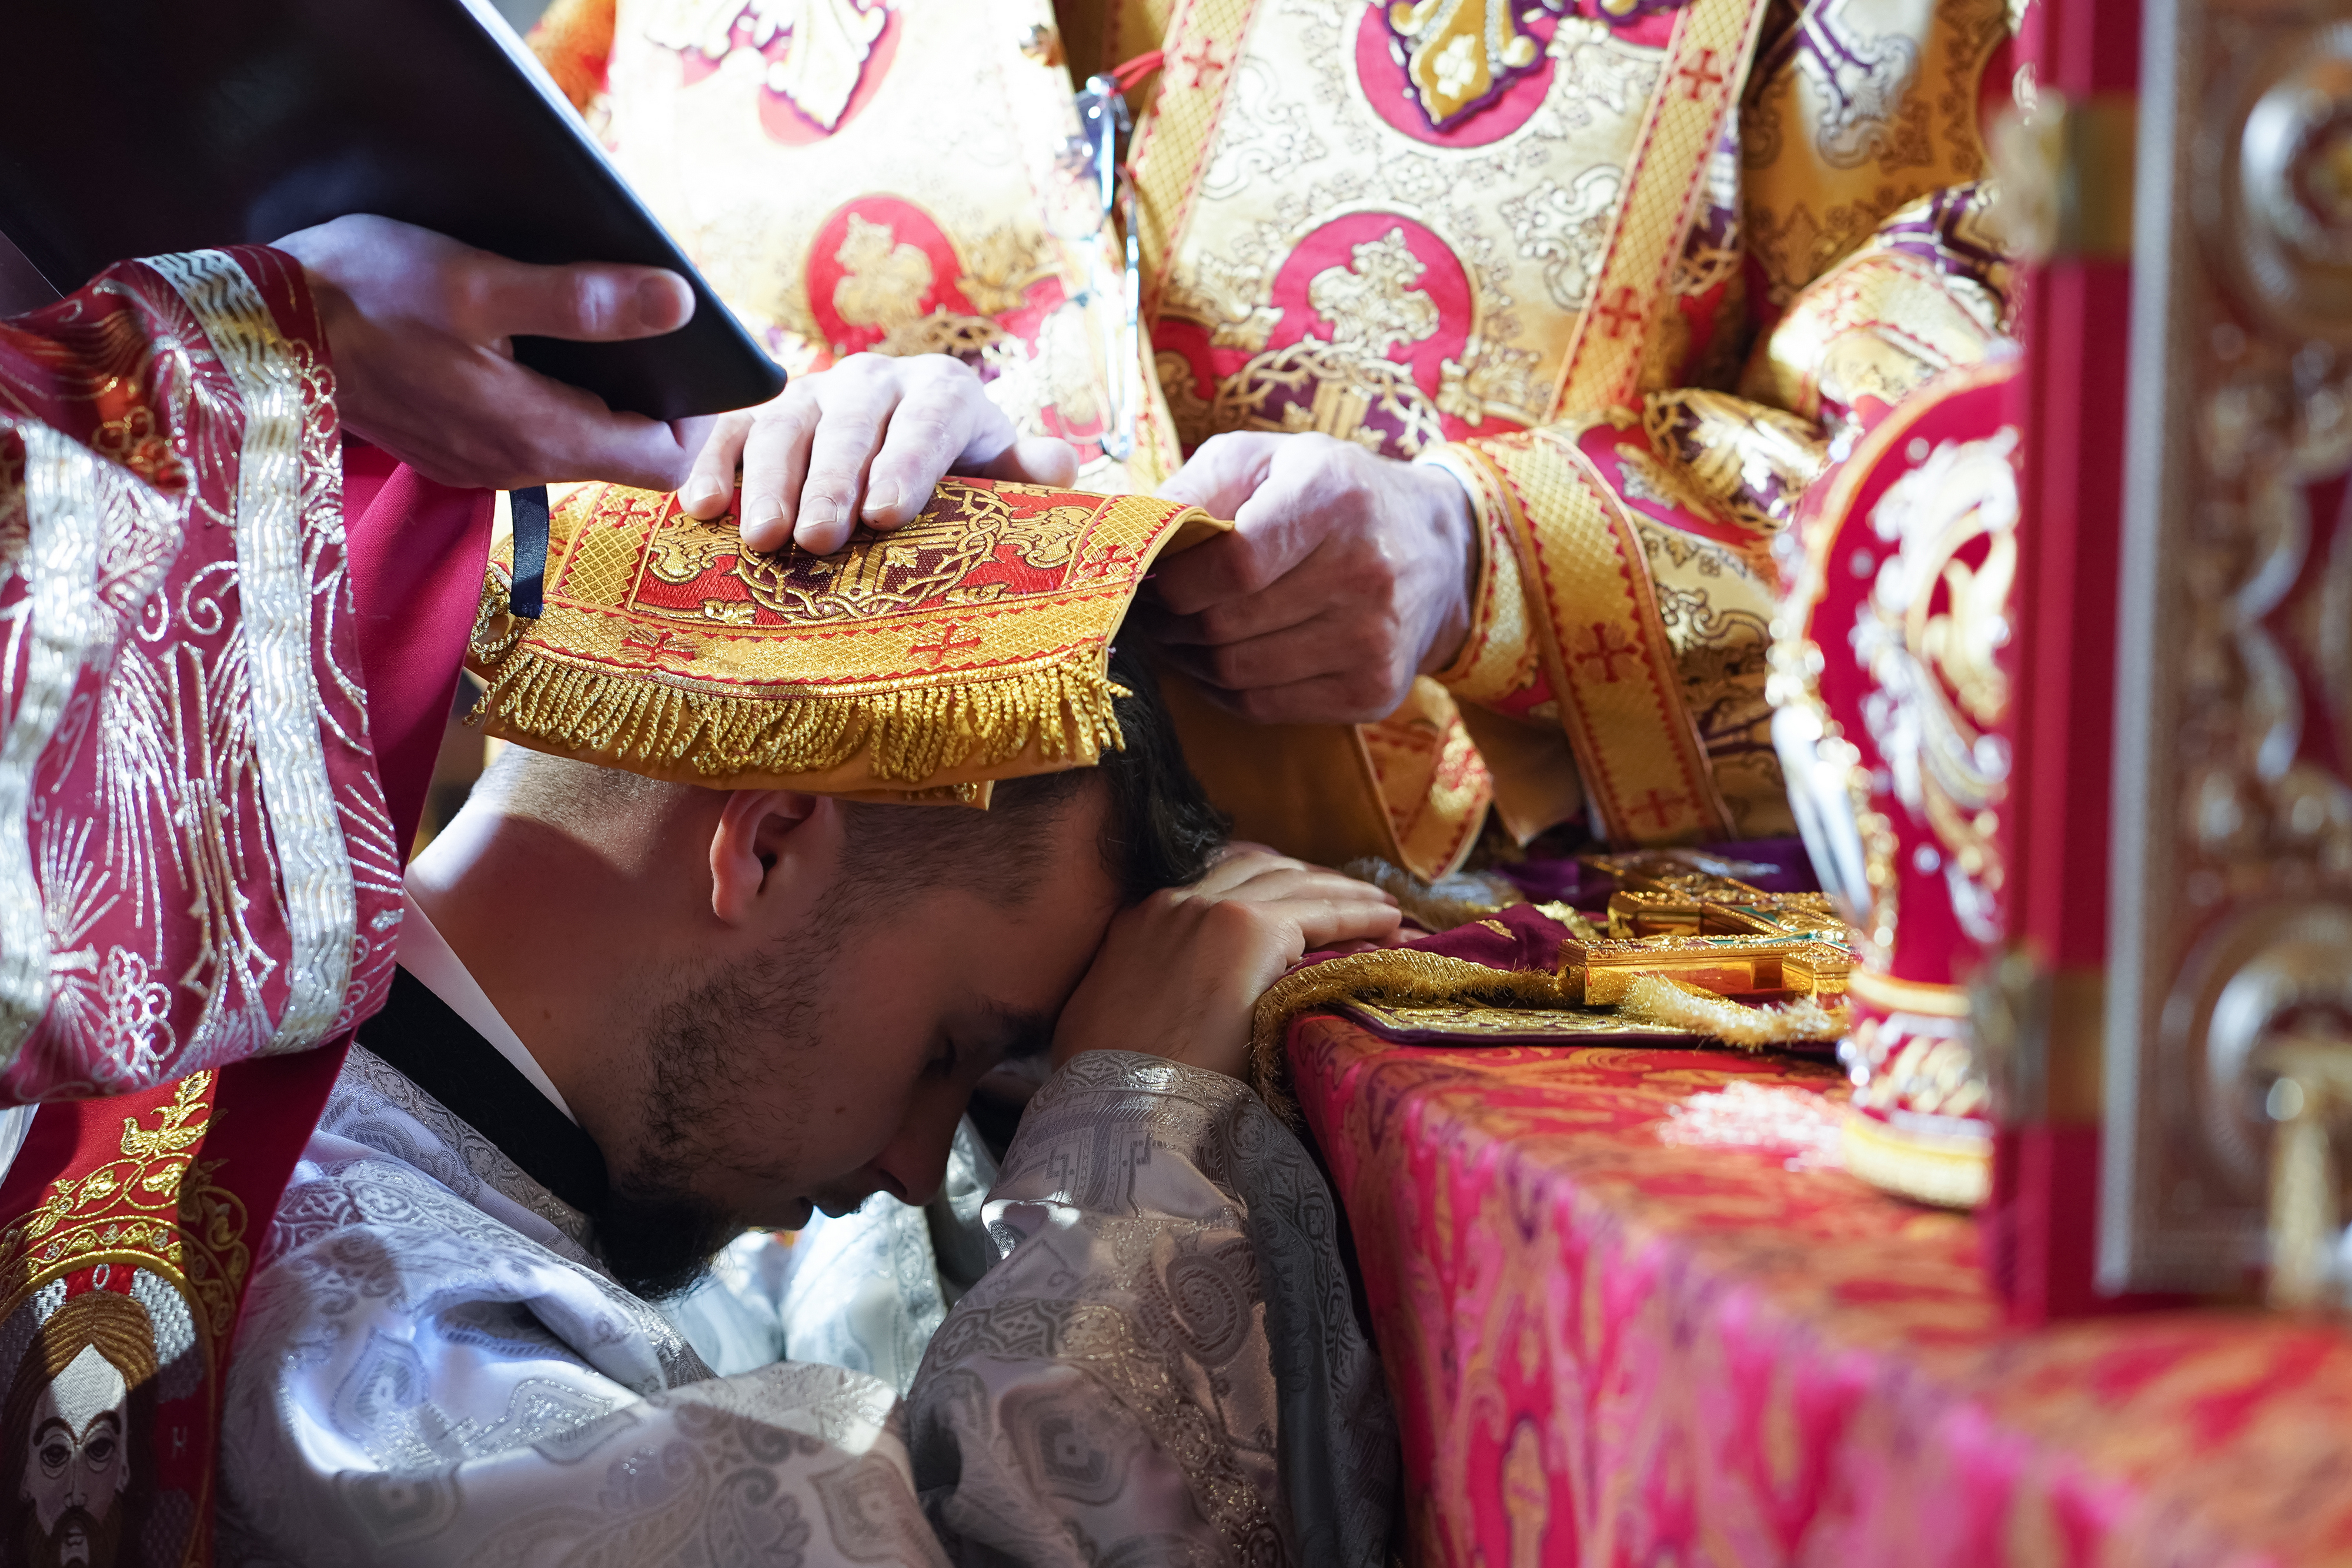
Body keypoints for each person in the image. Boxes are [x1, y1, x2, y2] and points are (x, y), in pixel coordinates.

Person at [523, 0, 2018, 877]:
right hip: (759, 1018)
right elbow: (484, 405)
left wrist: (1476, 552)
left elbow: (2009, 476)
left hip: (1443, 1031)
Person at [216, 651, 1404, 1564]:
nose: (912, 1163)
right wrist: (1134, 1133)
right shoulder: (355, 1318)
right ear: (768, 842)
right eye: (951, 1049)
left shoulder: (422, 1117)